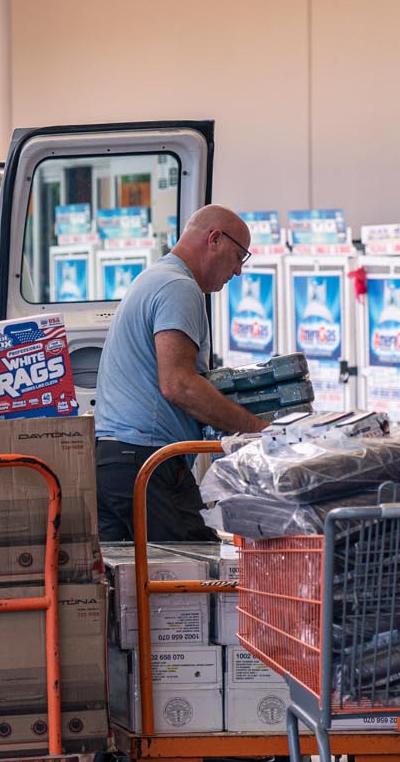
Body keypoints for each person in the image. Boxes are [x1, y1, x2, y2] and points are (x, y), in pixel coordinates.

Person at [93, 205, 271, 542]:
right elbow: (179, 385)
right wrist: (256, 430)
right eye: (238, 257)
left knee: (130, 572)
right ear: (214, 239)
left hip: (112, 462)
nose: (237, 271)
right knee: (195, 566)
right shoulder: (179, 287)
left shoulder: (153, 278)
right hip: (147, 461)